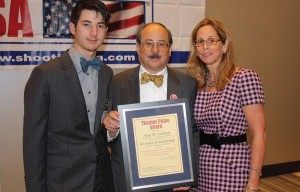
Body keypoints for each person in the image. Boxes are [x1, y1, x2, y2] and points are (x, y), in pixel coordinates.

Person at [23, 0, 115, 191]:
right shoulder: (45, 74)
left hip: (100, 181)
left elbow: (99, 130)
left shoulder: (107, 73)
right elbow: (33, 145)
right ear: (73, 28)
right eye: (86, 24)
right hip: (62, 182)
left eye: (100, 26)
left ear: (106, 31)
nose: (94, 33)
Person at [103, 22, 199, 192]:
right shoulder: (116, 83)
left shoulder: (189, 85)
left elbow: (194, 133)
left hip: (174, 180)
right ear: (138, 47)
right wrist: (110, 129)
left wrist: (190, 173)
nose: (155, 50)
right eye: (148, 43)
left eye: (161, 44)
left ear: (169, 49)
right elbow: (104, 134)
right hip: (127, 179)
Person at [187, 18, 266, 192]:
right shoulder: (197, 85)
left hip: (232, 167)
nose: (205, 47)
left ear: (224, 45)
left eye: (211, 41)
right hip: (201, 169)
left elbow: (259, 134)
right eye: (200, 42)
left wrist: (253, 185)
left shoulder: (244, 78)